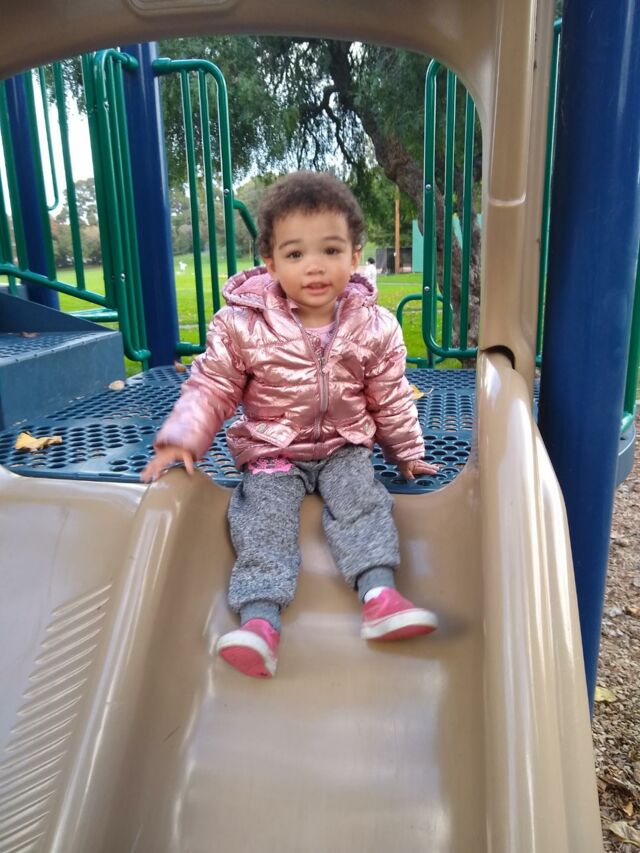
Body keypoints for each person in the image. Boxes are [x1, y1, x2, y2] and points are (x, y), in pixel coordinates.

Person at [141, 171, 439, 679]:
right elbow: (212, 385)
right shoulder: (242, 324)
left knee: (363, 500)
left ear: (355, 254)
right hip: (273, 450)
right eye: (296, 253)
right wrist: (183, 436)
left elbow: (390, 396)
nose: (315, 266)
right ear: (270, 261)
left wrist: (406, 452)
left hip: (344, 444)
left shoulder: (374, 326)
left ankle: (380, 595)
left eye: (331, 250)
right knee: (263, 517)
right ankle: (260, 622)